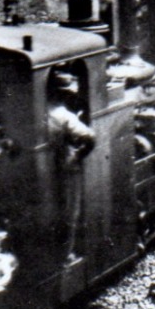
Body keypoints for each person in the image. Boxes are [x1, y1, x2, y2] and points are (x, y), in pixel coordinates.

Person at [47, 71, 95, 263]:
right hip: (65, 166)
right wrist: (77, 155)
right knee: (70, 212)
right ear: (63, 94)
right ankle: (66, 254)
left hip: (44, 169)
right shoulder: (62, 115)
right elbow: (90, 138)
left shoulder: (40, 111)